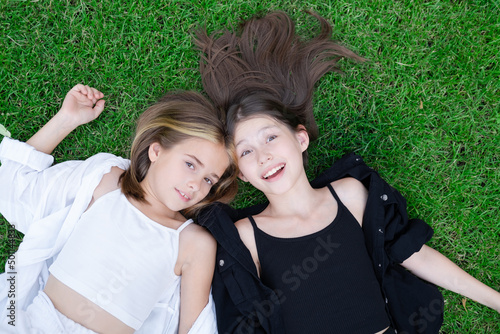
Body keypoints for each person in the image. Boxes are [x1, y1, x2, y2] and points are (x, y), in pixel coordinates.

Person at [194, 11, 500, 334]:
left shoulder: (351, 195)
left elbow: (414, 255)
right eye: (246, 151)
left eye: (271, 137)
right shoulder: (246, 236)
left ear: (301, 138)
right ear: (240, 173)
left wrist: (496, 300)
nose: (264, 156)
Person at [0, 84, 238, 333]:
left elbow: (195, 329)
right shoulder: (108, 182)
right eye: (190, 164)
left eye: (209, 180)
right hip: (33, 324)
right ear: (156, 150)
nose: (195, 185)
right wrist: (66, 120)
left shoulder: (194, 243)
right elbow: (14, 189)